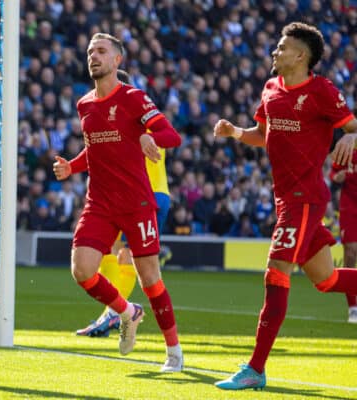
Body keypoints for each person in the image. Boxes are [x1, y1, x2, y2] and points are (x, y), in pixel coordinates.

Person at [213, 22, 357, 391]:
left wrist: (352, 135)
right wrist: (235, 133)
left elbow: (352, 125)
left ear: (300, 55)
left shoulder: (322, 91)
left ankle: (256, 368)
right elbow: (262, 136)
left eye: (281, 47)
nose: (274, 52)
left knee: (275, 272)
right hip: (285, 199)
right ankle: (256, 369)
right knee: (326, 280)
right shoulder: (271, 89)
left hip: (304, 198)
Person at [53, 33, 184, 372]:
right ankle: (128, 311)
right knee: (81, 270)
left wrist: (146, 135)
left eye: (101, 51)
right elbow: (94, 148)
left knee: (150, 279)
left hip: (136, 202)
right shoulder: (84, 104)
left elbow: (172, 136)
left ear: (117, 61)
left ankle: (174, 353)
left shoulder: (134, 98)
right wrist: (73, 165)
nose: (93, 56)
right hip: (99, 202)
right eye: (89, 51)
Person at [75, 69, 173, 338]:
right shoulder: (138, 119)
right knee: (111, 251)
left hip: (144, 196)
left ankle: (114, 315)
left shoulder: (136, 118)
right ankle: (116, 312)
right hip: (137, 195)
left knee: (127, 257)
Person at [330, 149, 357, 323]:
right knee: (350, 252)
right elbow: (333, 176)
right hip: (350, 208)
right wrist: (336, 177)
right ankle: (353, 308)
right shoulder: (347, 151)